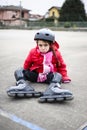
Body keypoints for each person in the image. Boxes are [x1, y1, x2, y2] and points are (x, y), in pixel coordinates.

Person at [7, 28, 73, 103]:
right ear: (37, 44)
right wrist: (24, 72)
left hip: (48, 76)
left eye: (45, 45)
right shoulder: (33, 52)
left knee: (58, 75)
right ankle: (22, 85)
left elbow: (61, 66)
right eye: (40, 45)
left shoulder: (56, 54)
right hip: (36, 75)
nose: (43, 48)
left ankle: (53, 88)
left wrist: (64, 76)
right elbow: (27, 63)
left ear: (51, 44)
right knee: (19, 70)